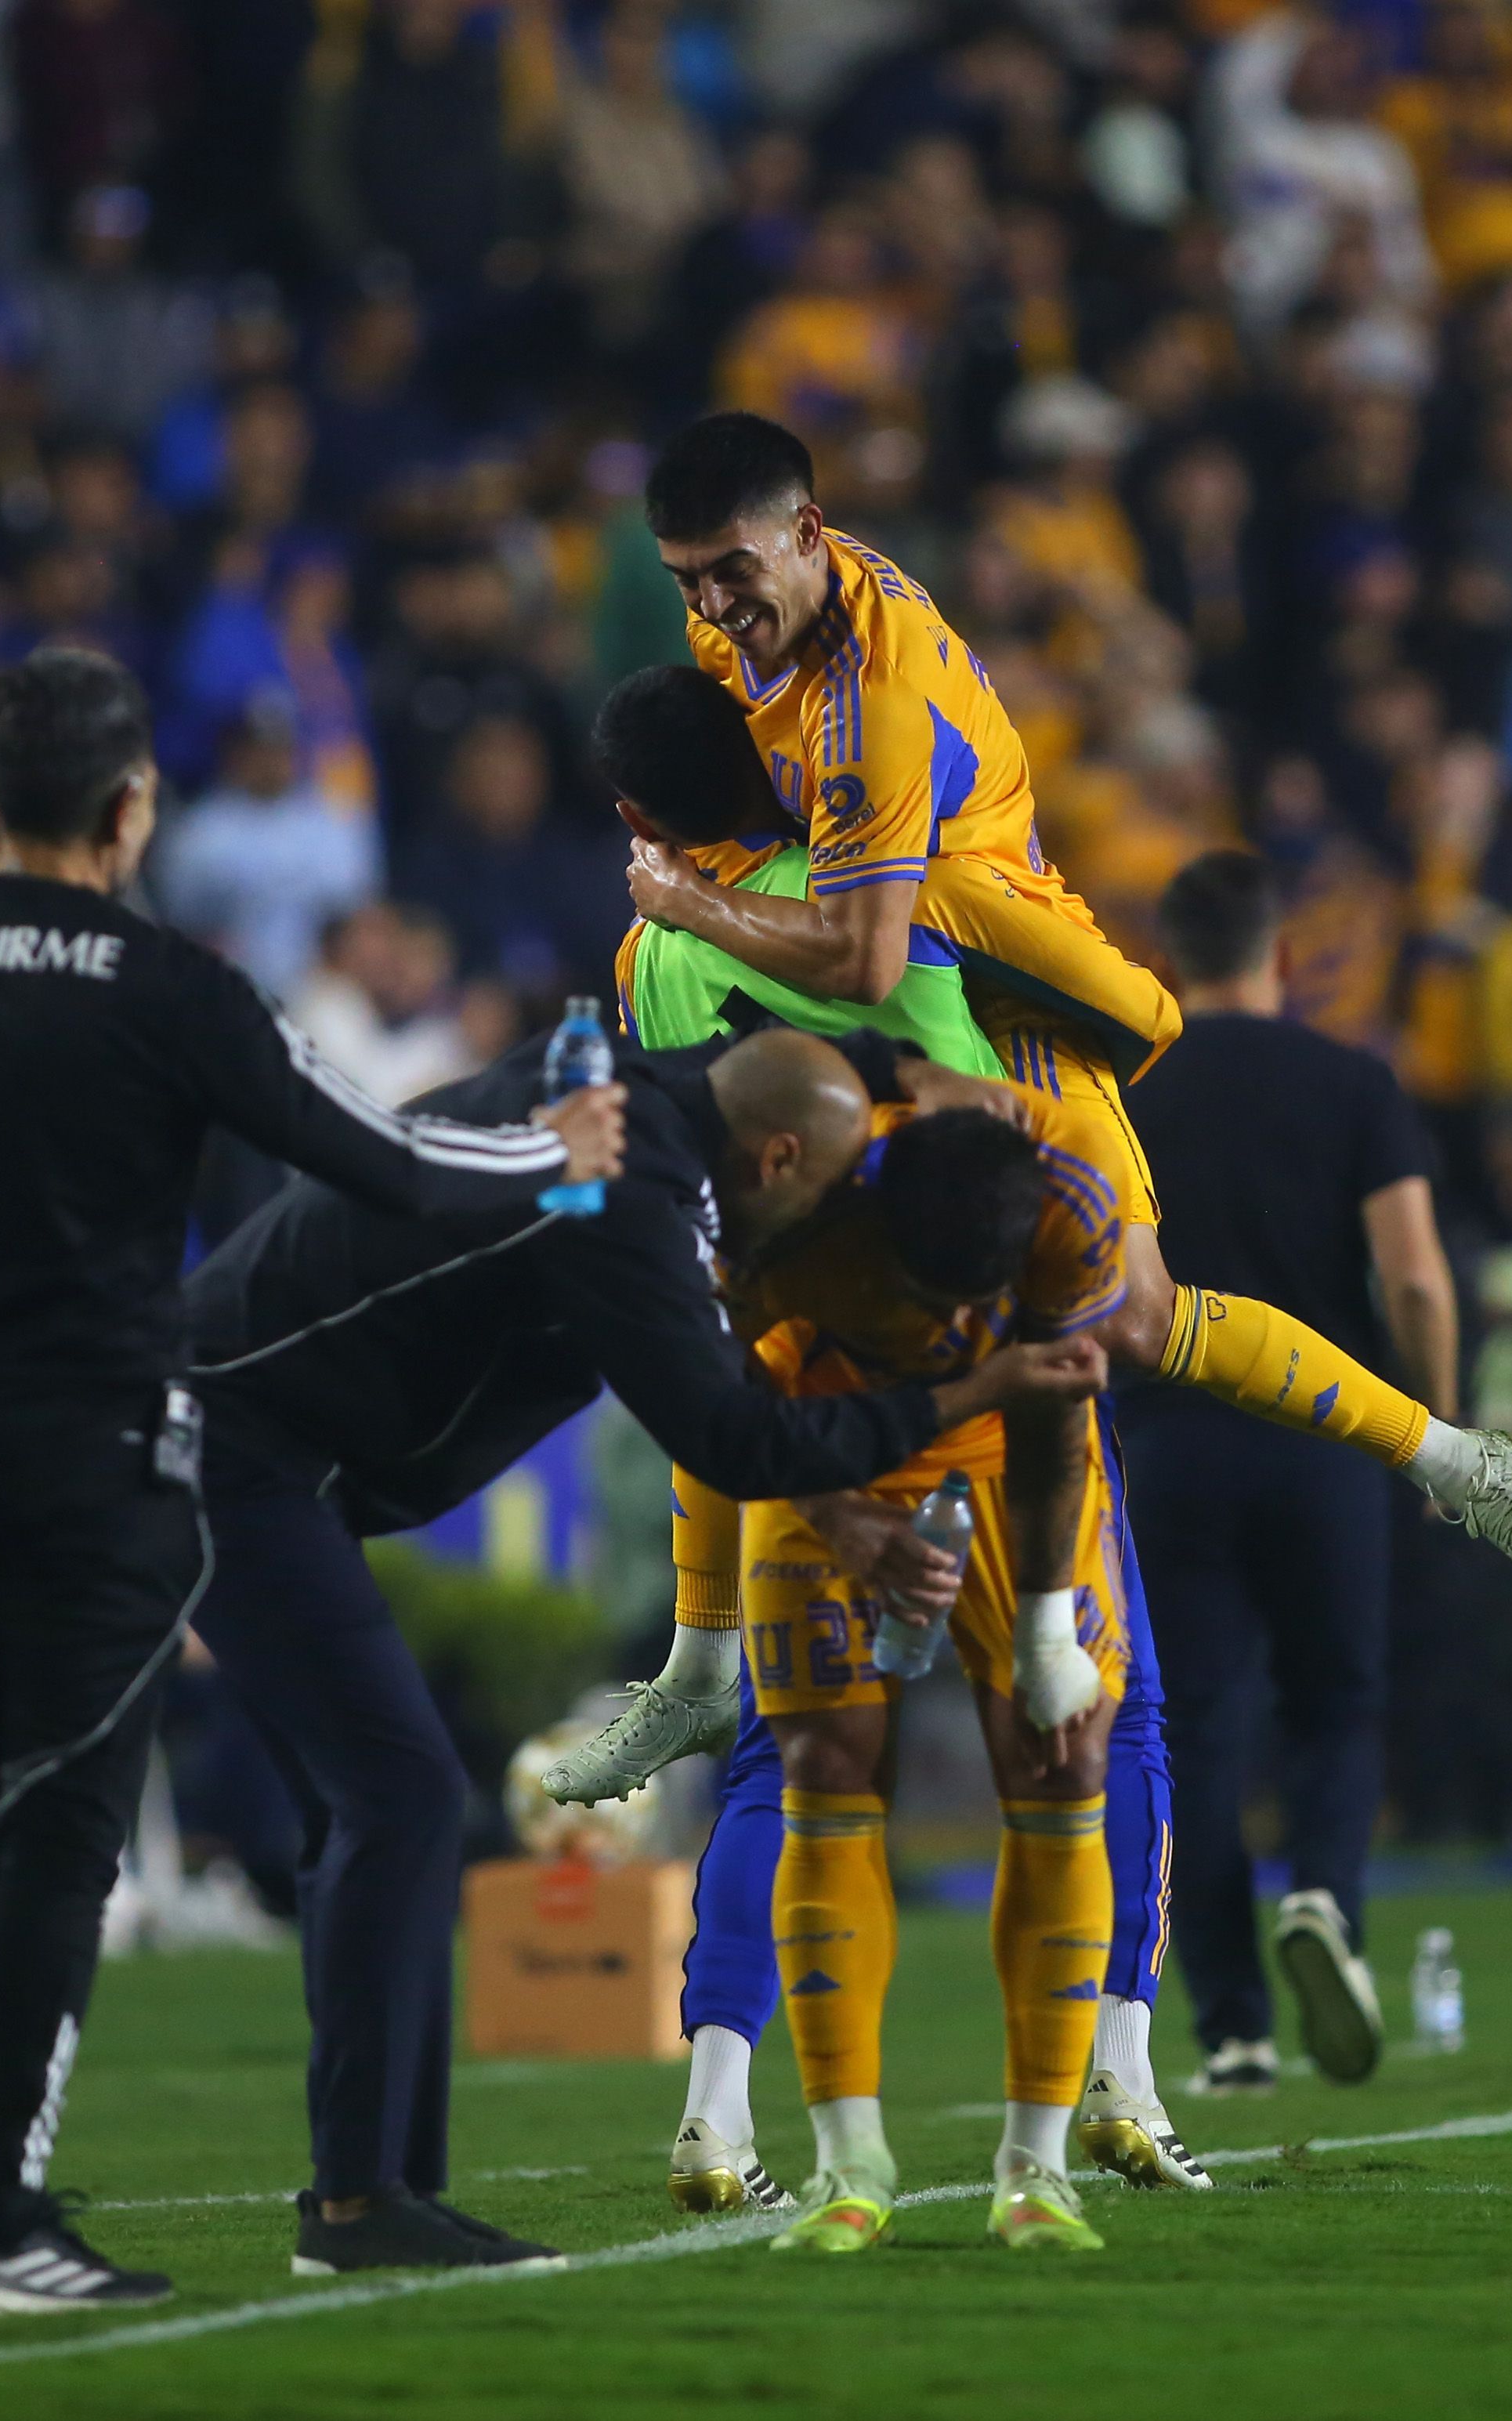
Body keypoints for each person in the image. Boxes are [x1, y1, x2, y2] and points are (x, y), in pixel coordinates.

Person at [0, 649, 626, 2319]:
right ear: (133, 809)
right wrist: (556, 1154)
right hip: (94, 1455)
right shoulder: (166, 985)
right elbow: (387, 1162)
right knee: (63, 1827)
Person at [180, 1026, 1104, 2277]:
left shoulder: (645, 1093)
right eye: (831, 1185)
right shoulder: (624, 1200)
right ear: (777, 1159)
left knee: (378, 1804)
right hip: (231, 1443)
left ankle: (376, 2195)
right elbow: (730, 1436)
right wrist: (972, 1392)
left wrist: (911, 1072)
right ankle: (355, 2203)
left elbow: (756, 1052)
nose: (826, 1222)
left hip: (271, 1446)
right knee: (394, 1795)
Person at [611, 413, 1512, 1594]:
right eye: (688, 580)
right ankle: (751, 1636)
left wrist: (690, 904)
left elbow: (863, 957)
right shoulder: (746, 625)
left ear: (807, 532)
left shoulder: (873, 700)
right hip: (890, 992)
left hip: (998, 989)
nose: (712, 604)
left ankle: (1455, 1459)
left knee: (1129, 1317)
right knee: (749, 1274)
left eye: (730, 570)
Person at [573, 661, 1208, 2211]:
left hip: (787, 1366)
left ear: (641, 815)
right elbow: (1134, 1013)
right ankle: (1116, 2078)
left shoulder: (650, 952)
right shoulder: (891, 886)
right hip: (978, 1334)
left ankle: (716, 2113)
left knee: (787, 1755)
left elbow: (673, 1164)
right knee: (1103, 1711)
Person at [668, 1034, 1150, 2256]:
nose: (943, 1323)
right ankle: (849, 2165)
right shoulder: (781, 1214)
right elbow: (713, 1399)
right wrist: (837, 1513)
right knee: (822, 1761)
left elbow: (1055, 1409)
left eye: (967, 1305)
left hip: (997, 1452)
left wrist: (1047, 1626)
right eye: (922, 1297)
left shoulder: (1069, 1198)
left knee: (1061, 1757)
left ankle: (1036, 2168)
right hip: (814, 1446)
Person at [1120, 851, 1461, 2096]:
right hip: (1324, 1438)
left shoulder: (1126, 1086)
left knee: (1192, 1727)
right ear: (1278, 953)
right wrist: (1436, 1428)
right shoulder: (1353, 1081)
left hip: (1169, 1438)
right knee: (1334, 1699)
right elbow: (1412, 1275)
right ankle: (1323, 1895)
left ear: (1167, 959)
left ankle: (1233, 2028)